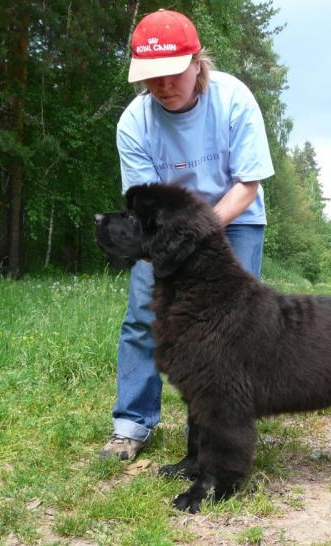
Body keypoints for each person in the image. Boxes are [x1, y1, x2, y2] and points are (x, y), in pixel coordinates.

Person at [100, 8, 274, 461]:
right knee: (144, 314)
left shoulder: (235, 100)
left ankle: (224, 424)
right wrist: (169, 244)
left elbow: (247, 184)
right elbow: (144, 204)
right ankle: (131, 423)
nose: (163, 86)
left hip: (235, 219)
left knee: (229, 324)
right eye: (151, 77)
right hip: (163, 232)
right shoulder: (134, 124)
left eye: (173, 73)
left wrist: (198, 234)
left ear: (197, 62)